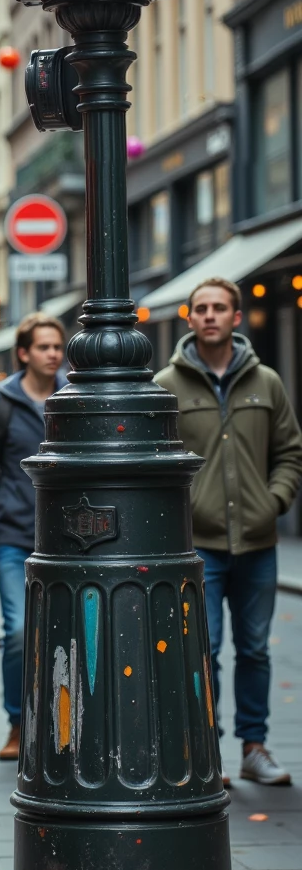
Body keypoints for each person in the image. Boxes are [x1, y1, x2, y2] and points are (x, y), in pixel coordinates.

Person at [155, 278, 302, 786]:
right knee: (204, 649)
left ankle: (255, 747)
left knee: (256, 649)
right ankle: (207, 750)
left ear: (237, 317)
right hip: (198, 548)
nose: (211, 315)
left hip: (258, 544)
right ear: (189, 317)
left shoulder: (267, 382)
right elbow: (156, 464)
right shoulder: (166, 385)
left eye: (221, 308)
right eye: (202, 308)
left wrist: (274, 502)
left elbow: (289, 452)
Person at [0, 314, 66, 761]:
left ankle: (64, 728)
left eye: (57, 347)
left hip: (67, 541)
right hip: (12, 540)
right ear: (23, 353)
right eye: (44, 347)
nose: (53, 354)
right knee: (18, 632)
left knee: (67, 637)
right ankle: (16, 724)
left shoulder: (73, 398)